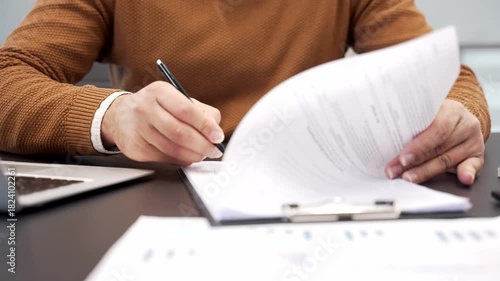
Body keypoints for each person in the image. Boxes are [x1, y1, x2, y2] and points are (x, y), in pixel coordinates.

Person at [0, 0, 490, 186]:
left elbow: (449, 76)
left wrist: (461, 113)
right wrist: (114, 115)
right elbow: (8, 79)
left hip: (314, 200)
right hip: (159, 196)